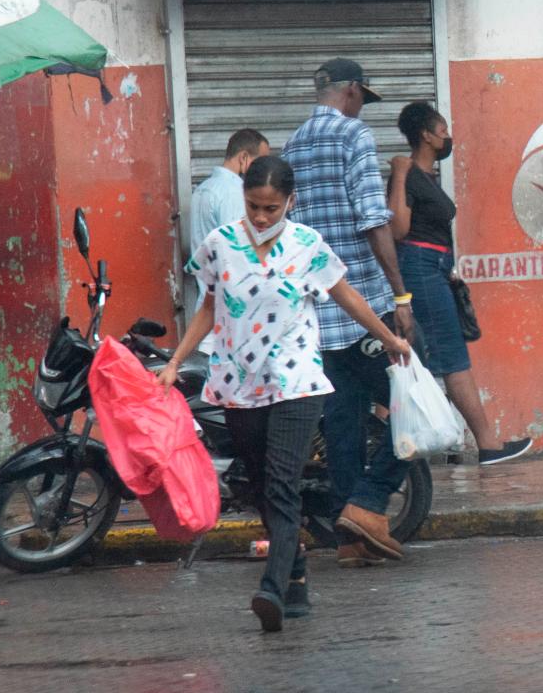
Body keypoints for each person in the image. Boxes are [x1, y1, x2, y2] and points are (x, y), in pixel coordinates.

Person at [161, 155, 411, 632]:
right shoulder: (221, 245)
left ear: (289, 203)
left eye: (271, 209)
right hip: (238, 381)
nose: (260, 217)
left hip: (296, 379)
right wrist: (175, 362)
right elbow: (208, 307)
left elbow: (347, 295)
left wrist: (389, 337)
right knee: (260, 486)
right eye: (254, 206)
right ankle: (294, 573)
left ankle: (272, 587)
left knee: (280, 480)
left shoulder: (306, 245)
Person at [281, 58, 416, 567]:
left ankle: (349, 542)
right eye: (362, 97)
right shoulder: (353, 137)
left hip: (318, 317)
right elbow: (372, 219)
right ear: (353, 91)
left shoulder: (293, 146)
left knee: (343, 426)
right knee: (420, 411)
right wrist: (400, 298)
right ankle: (369, 502)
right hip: (363, 310)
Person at [387, 102, 534, 467]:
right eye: (443, 131)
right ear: (426, 135)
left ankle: (461, 444)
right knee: (452, 358)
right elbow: (398, 230)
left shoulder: (428, 177)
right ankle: (488, 445)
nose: (448, 137)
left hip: (434, 268)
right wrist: (400, 174)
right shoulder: (406, 173)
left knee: (427, 355)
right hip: (420, 268)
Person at [185, 129, 268, 309]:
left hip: (208, 302)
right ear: (244, 157)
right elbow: (238, 252)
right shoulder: (234, 192)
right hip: (230, 306)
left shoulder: (203, 189)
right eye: (259, 162)